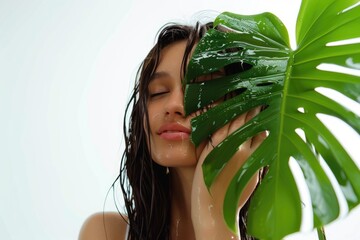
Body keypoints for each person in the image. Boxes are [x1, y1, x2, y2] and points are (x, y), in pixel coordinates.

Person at [79, 19, 266, 240]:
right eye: (158, 92)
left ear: (247, 112)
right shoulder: (107, 232)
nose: (174, 105)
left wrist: (215, 220)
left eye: (202, 88)